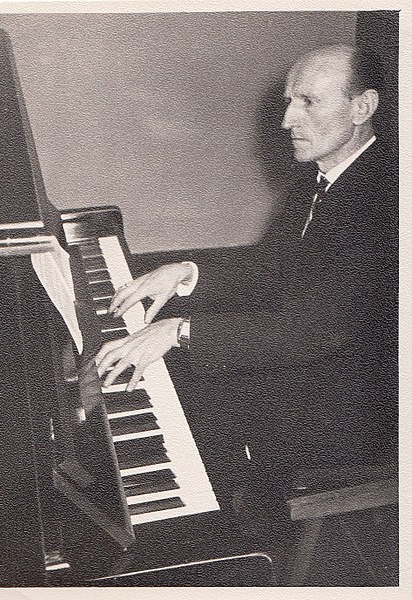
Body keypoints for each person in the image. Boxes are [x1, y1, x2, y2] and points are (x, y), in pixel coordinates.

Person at [96, 44, 397, 515]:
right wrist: (184, 273)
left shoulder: (386, 198)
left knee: (177, 397)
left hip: (357, 400)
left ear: (363, 107)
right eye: (288, 101)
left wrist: (181, 331)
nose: (286, 121)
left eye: (308, 102)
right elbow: (270, 268)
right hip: (311, 347)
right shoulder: (324, 173)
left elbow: (311, 331)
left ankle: (222, 544)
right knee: (165, 373)